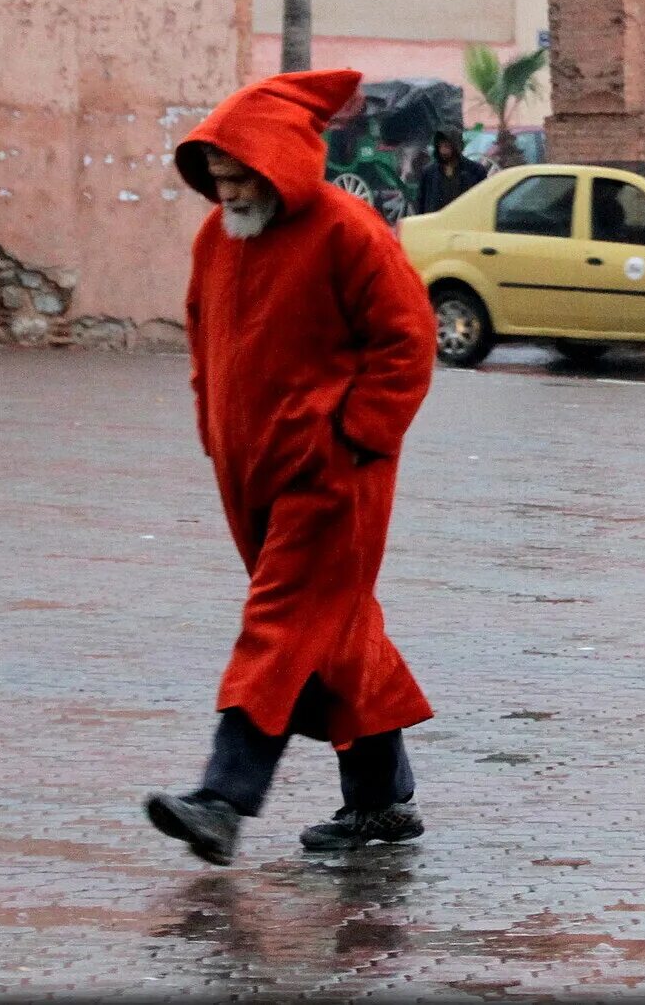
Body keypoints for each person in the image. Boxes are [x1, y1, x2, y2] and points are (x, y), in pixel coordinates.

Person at [143, 68, 439, 864]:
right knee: (335, 632)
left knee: (278, 624)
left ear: (281, 164)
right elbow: (205, 336)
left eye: (242, 177)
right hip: (252, 475)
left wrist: (355, 435)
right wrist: (215, 424)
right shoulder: (219, 238)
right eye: (219, 178)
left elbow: (408, 342)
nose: (229, 192)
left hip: (334, 477)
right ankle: (381, 803)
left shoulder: (348, 231)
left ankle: (223, 798)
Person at [413, 126, 488, 215]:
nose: (443, 151)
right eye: (440, 146)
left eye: (447, 146)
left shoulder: (476, 171)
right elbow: (421, 203)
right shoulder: (429, 173)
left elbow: (483, 203)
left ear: (457, 147)